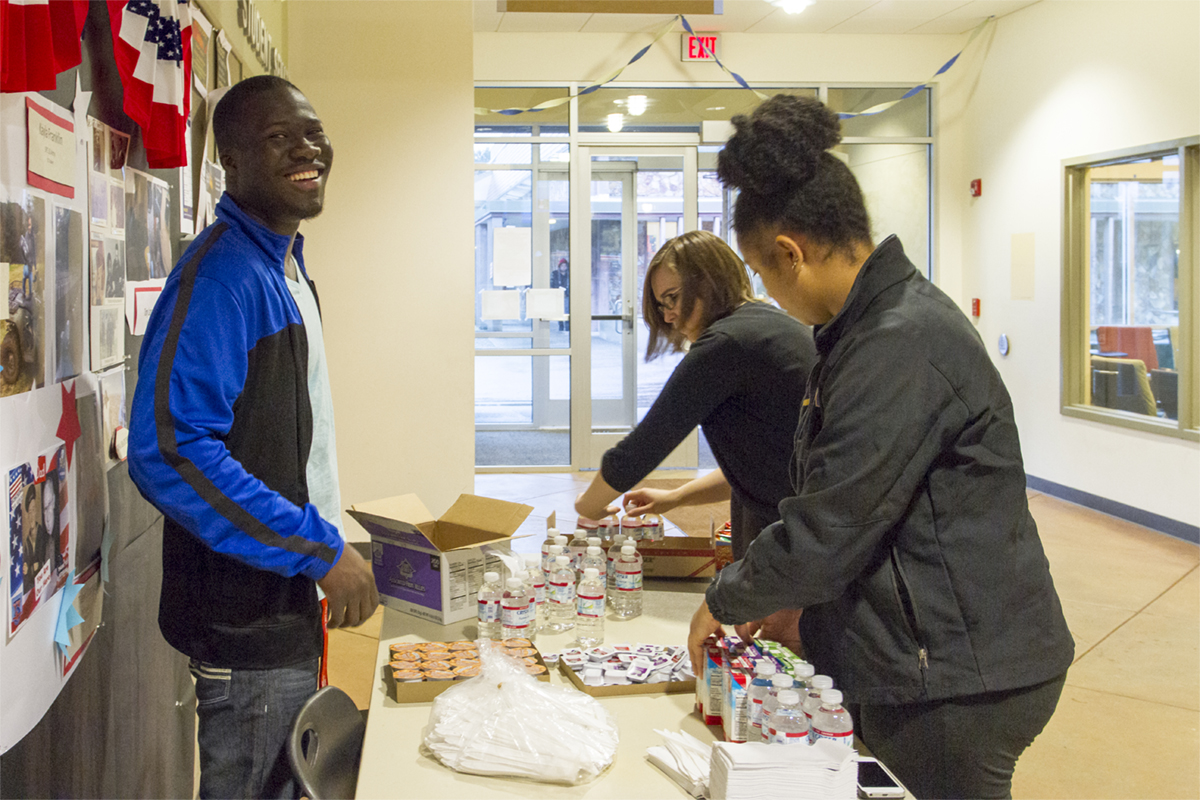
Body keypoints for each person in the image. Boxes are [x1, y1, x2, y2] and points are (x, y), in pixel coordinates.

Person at [687, 95, 1075, 799]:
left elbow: (828, 527)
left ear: (789, 254)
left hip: (961, 675)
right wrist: (809, 613)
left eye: (763, 276)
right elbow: (869, 513)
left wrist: (726, 597)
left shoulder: (899, 342)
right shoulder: (867, 330)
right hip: (930, 653)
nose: (770, 296)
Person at [128, 75, 378, 800]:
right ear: (230, 163)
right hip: (247, 630)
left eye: (312, 131)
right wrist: (317, 548)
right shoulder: (224, 277)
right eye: (278, 138)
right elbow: (171, 451)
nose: (307, 149)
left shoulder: (285, 264)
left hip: (289, 604)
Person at [575, 230, 817, 647]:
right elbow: (769, 460)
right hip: (797, 533)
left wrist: (586, 508)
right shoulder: (763, 326)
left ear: (708, 281)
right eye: (660, 304)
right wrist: (676, 498)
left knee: (783, 675)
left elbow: (639, 450)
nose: (667, 315)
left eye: (672, 298)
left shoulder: (725, 344)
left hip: (796, 544)